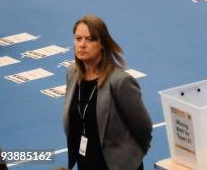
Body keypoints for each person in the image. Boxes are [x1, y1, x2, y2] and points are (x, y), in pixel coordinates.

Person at [63, 15, 152, 170]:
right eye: (78, 39)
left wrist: (129, 160)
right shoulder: (72, 73)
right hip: (86, 163)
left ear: (102, 43)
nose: (82, 44)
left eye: (90, 39)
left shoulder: (120, 81)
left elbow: (143, 128)